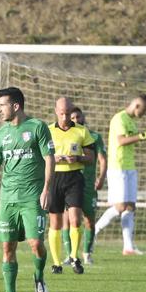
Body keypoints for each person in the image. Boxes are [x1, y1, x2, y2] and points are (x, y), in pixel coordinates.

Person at [0, 87, 54, 292]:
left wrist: (47, 189)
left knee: (35, 244)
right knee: (7, 247)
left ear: (15, 106)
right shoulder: (2, 133)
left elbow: (50, 159)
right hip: (8, 199)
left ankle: (39, 277)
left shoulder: (37, 127)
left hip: (32, 197)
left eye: (2, 105)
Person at [94, 94, 146, 255]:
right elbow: (121, 141)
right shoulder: (119, 119)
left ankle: (128, 247)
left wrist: (143, 137)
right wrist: (143, 136)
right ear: (137, 105)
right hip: (118, 167)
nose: (144, 113)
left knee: (130, 206)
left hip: (130, 167)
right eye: (144, 109)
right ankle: (92, 232)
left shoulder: (131, 121)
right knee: (120, 206)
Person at [47, 98, 95, 275]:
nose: (65, 116)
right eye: (61, 113)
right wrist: (54, 158)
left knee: (75, 219)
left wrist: (78, 158)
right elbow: (40, 155)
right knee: (55, 222)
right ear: (56, 111)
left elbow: (91, 158)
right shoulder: (48, 131)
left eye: (68, 113)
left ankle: (75, 257)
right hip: (54, 178)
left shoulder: (82, 131)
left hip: (74, 178)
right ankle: (56, 262)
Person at [60, 107, 107, 265]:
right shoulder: (66, 136)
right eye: (71, 117)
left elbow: (101, 159)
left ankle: (87, 253)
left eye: (77, 116)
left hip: (88, 185)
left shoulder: (93, 137)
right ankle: (70, 254)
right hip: (71, 182)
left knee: (89, 220)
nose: (74, 119)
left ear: (83, 117)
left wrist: (101, 178)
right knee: (67, 219)